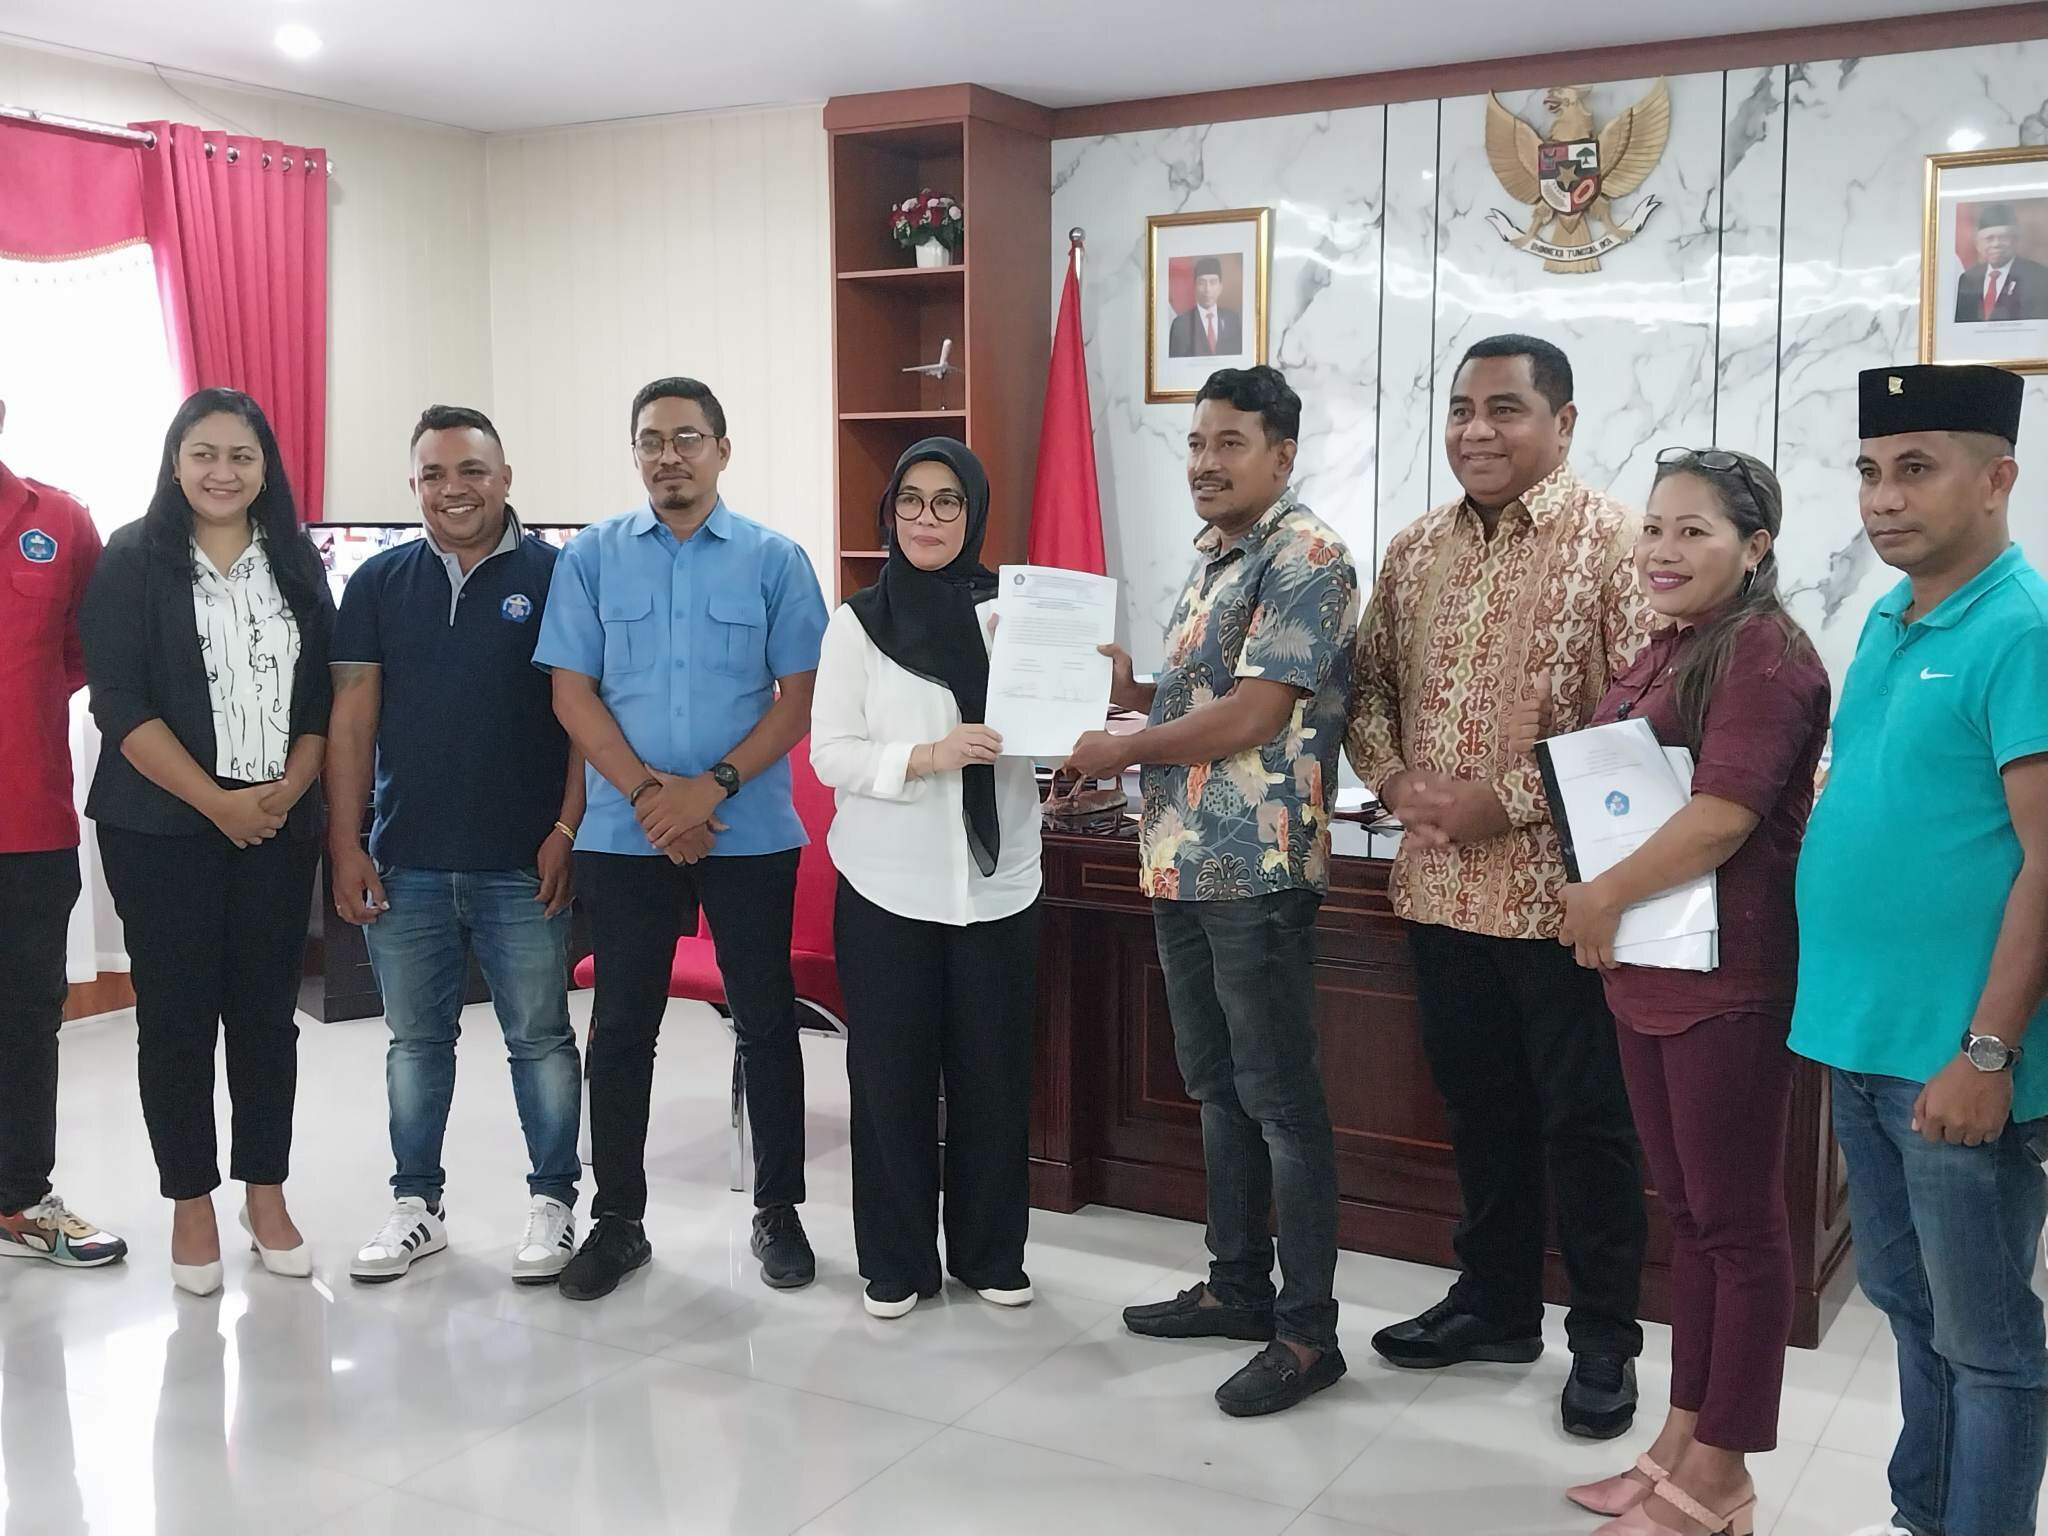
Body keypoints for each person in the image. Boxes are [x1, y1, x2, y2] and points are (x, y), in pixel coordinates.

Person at [1514, 450, 1828, 1534]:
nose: (1662, 549)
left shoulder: (1763, 652)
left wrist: (1600, 895)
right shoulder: (1674, 645)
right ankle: (1676, 1446)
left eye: (1693, 530)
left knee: (1737, 1229)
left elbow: (1722, 816)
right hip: (1652, 964)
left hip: (1726, 976)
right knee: (1691, 1220)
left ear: (1755, 545)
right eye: (1653, 527)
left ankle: (1722, 1476)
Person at [1346, 333, 1650, 1439]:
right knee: (1479, 1113)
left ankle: (1604, 1339)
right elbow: (1366, 690)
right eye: (1462, 408)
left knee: (1587, 1126)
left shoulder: (1617, 544)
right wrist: (1392, 780)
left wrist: (1503, 801)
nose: (1476, 430)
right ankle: (1495, 1304)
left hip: (1564, 900)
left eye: (1505, 409)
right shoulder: (1413, 548)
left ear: (1560, 424)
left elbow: (1641, 718)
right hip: (1437, 892)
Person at [1064, 365, 1358, 1418]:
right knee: (1216, 1084)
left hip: (1256, 868)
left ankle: (1307, 1333)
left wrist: (1121, 747)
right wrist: (1133, 694)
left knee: (1278, 1098)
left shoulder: (1305, 556)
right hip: (1182, 859)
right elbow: (1204, 698)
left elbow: (1254, 716)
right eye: (1195, 443)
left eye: (1229, 443)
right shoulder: (1214, 557)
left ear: (1282, 454)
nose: (1204, 462)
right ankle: (1237, 1288)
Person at [1792, 364, 2048, 1536]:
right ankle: (1923, 1515)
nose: (1881, 498)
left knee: (1985, 1346)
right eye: (1866, 471)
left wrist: (1986, 1052)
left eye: (1913, 469)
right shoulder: (1889, 616)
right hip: (1862, 1037)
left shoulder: (2020, 629)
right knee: (1905, 1308)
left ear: (1995, 480)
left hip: (1955, 1058)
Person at [535, 375, 828, 1302]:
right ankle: (619, 1221)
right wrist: (653, 799)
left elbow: (800, 700)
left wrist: (709, 791)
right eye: (652, 441)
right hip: (626, 836)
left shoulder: (777, 561)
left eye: (688, 438)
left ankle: (778, 1211)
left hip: (749, 831)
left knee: (766, 1022)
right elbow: (571, 693)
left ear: (722, 450)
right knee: (623, 1026)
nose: (670, 456)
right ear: (635, 454)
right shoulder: (590, 559)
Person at [80, 387, 333, 1297]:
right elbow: (119, 704)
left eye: (242, 455)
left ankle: (266, 1195)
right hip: (160, 831)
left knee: (266, 1018)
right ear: (176, 462)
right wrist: (217, 804)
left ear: (266, 467)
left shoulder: (296, 560)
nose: (223, 472)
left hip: (277, 825)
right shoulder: (129, 560)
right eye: (205, 454)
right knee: (177, 1020)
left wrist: (288, 791)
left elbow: (322, 697)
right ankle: (191, 1202)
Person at [325, 405, 586, 1286]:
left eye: (472, 470)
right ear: (414, 486)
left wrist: (567, 830)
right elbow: (352, 719)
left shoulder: (559, 576)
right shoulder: (377, 583)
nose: (453, 489)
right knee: (415, 1043)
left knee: (540, 1040)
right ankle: (416, 1207)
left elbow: (586, 717)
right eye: (433, 474)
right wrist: (347, 843)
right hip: (408, 861)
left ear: (506, 478)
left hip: (525, 863)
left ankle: (554, 1204)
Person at [810, 437, 1042, 1321]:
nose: (927, 518)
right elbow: (831, 753)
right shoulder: (857, 623)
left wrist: (1077, 701)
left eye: (949, 502)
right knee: (890, 1079)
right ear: (890, 511)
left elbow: (1056, 736)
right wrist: (926, 756)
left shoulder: (1014, 616)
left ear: (974, 513)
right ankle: (897, 1260)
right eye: (911, 500)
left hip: (1001, 883)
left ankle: (990, 1254)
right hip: (887, 885)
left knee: (993, 1076)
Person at [0, 399, 127, 1270]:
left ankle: (19, 1199)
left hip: (29, 824)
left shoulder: (60, 521)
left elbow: (84, 653)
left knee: (24, 1017)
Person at [1954, 203, 2048, 323]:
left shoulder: (2038, 276)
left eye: (2004, 238)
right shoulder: (1967, 279)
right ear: (1978, 244)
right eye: (1989, 239)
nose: (1996, 244)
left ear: (2015, 240)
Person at [1167, 257, 1244, 358]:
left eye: (1213, 282)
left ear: (1220, 287)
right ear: (1194, 287)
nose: (1207, 289)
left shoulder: (1232, 320)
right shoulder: (1180, 324)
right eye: (1202, 283)